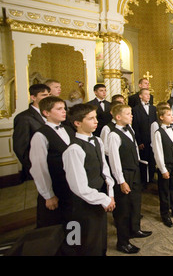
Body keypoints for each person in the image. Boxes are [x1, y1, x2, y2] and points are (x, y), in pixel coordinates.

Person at [62, 103, 115, 256]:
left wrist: (109, 193)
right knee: (88, 243)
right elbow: (78, 186)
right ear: (77, 123)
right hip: (84, 204)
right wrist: (103, 199)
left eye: (96, 117)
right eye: (91, 118)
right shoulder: (74, 149)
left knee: (100, 239)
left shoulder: (97, 140)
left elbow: (105, 170)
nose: (96, 121)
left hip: (99, 198)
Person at [108, 104, 152, 254]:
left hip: (134, 171)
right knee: (123, 209)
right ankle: (123, 241)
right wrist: (121, 180)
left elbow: (133, 150)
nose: (131, 116)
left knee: (135, 203)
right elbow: (114, 160)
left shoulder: (130, 129)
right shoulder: (114, 135)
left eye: (131, 113)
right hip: (124, 174)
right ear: (118, 117)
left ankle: (135, 229)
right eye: (128, 114)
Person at [29, 96, 75, 228]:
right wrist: (48, 195)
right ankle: (59, 249)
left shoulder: (68, 129)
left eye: (64, 108)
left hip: (70, 186)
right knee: (54, 226)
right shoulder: (40, 135)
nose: (64, 111)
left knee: (72, 222)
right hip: (56, 186)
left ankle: (73, 245)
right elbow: (39, 168)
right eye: (59, 109)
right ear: (46, 113)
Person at [153, 106, 173, 227]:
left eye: (172, 115)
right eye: (168, 115)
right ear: (161, 117)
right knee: (164, 191)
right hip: (165, 166)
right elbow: (158, 152)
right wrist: (163, 169)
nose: (172, 117)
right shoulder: (158, 133)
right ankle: (165, 214)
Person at [13, 84, 50, 181]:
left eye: (49, 95)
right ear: (33, 97)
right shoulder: (23, 118)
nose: (48, 98)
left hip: (52, 164)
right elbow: (20, 148)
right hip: (38, 166)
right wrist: (33, 168)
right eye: (44, 95)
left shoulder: (51, 113)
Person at [132, 88, 157, 184]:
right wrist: (139, 141)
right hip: (142, 138)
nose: (148, 96)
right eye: (146, 94)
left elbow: (155, 124)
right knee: (144, 158)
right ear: (140, 96)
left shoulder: (153, 108)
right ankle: (143, 179)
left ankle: (151, 177)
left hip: (152, 137)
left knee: (152, 158)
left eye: (149, 94)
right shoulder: (135, 109)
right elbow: (135, 126)